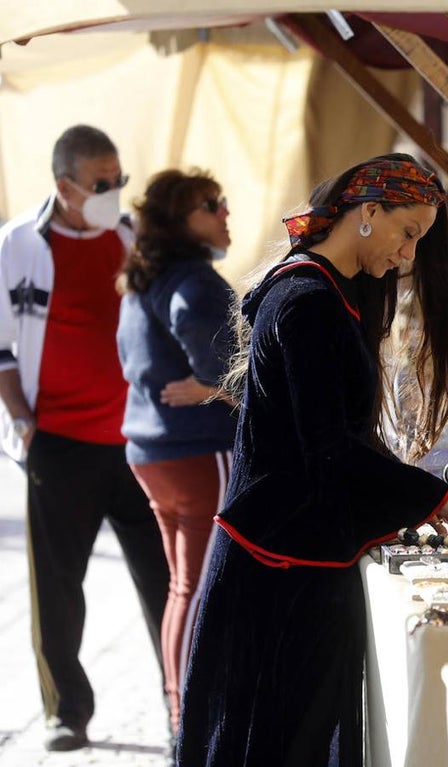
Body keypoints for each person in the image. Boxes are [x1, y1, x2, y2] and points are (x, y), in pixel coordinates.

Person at [177, 153, 448, 766]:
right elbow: (329, 448)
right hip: (277, 571)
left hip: (289, 558)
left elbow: (339, 439)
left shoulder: (327, 293)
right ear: (368, 212)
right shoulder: (306, 302)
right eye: (407, 233)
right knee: (276, 742)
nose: (407, 257)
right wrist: (435, 494)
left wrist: (421, 497)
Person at [0, 124, 169, 751]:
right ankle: (65, 711)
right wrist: (22, 418)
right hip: (61, 443)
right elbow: (1, 352)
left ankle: (182, 703)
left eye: (119, 179)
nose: (114, 193)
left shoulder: (133, 238)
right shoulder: (19, 245)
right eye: (101, 184)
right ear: (64, 185)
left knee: (167, 580)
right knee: (58, 589)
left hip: (139, 441)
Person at [116, 168, 238, 743]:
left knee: (181, 585)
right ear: (180, 223)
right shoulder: (194, 280)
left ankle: (181, 712)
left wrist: (204, 380)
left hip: (152, 450)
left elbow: (133, 359)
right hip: (196, 451)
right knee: (197, 585)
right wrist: (215, 383)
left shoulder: (145, 280)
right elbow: (228, 360)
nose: (225, 213)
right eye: (211, 205)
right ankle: (185, 720)